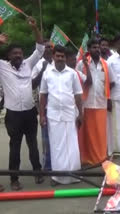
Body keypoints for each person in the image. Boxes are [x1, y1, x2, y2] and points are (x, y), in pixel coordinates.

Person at [0, 17, 44, 190]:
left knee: (33, 144)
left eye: (19, 53)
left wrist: (34, 28)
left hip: (29, 112)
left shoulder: (28, 64)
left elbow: (40, 47)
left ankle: (38, 173)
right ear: (8, 56)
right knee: (15, 147)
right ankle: (14, 179)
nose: (18, 55)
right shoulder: (2, 66)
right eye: (14, 53)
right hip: (13, 115)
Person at [39, 45, 83, 185]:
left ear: (65, 58)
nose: (59, 58)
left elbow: (78, 95)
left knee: (71, 145)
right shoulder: (47, 73)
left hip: (70, 114)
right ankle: (57, 177)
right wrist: (42, 115)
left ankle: (74, 175)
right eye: (57, 56)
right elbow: (43, 95)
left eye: (62, 56)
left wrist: (80, 114)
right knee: (56, 146)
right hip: (53, 115)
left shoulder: (72, 73)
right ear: (53, 56)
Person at [77, 39, 114, 165]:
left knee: (100, 134)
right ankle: (87, 159)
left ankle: (100, 158)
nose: (97, 49)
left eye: (98, 47)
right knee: (87, 134)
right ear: (88, 49)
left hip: (100, 104)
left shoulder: (106, 64)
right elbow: (77, 82)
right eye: (93, 47)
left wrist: (108, 100)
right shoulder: (82, 64)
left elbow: (110, 82)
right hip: (86, 104)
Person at [31, 39, 53, 171]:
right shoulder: (38, 64)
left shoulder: (58, 61)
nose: (49, 49)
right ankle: (48, 165)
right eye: (47, 47)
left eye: (51, 47)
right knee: (47, 138)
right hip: (45, 106)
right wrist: (43, 70)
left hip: (60, 107)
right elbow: (33, 85)